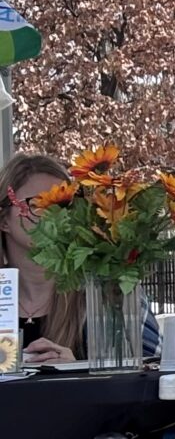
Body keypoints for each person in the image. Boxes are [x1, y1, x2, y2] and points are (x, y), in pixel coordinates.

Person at [1, 151, 160, 364]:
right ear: (3, 220)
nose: (55, 214)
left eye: (64, 203)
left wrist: (76, 369)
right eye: (38, 204)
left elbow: (156, 369)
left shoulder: (107, 290)